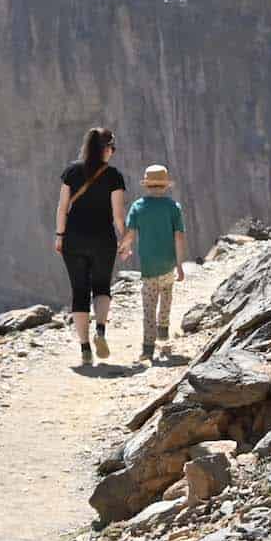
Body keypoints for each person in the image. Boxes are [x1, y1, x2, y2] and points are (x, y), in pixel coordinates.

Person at [54, 126, 127, 363]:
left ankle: (85, 348)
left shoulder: (71, 172)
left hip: (73, 239)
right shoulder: (114, 176)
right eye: (112, 148)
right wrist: (125, 238)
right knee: (102, 287)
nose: (112, 153)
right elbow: (118, 214)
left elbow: (62, 207)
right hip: (102, 239)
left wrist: (59, 235)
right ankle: (101, 331)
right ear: (105, 149)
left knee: (79, 291)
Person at [120, 164, 187, 360]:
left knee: (148, 307)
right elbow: (179, 237)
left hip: (149, 268)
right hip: (168, 266)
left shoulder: (138, 207)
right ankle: (164, 332)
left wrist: (125, 249)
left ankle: (148, 349)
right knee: (166, 297)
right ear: (165, 186)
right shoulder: (173, 207)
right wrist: (180, 265)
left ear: (147, 185)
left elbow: (130, 235)